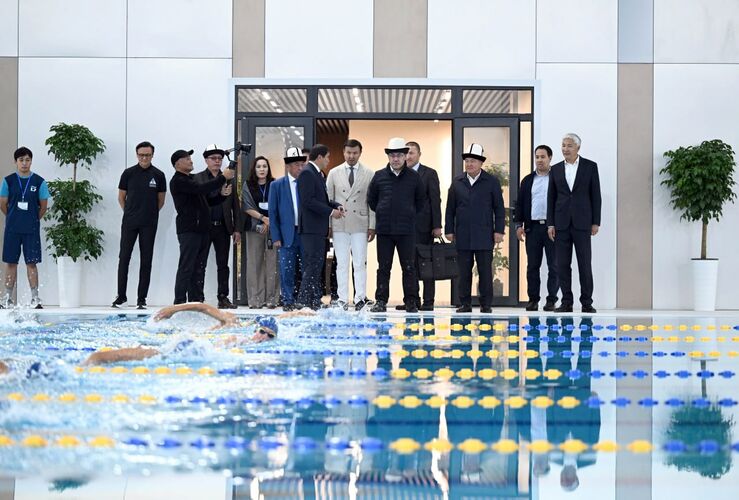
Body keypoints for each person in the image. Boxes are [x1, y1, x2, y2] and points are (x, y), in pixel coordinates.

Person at [82, 303, 316, 365]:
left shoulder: (252, 341)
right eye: (263, 332)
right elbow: (203, 307)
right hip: (190, 344)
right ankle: (97, 358)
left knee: (156, 355)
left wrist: (303, 313)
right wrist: (174, 310)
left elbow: (283, 318)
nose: (264, 338)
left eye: (269, 337)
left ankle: (97, 360)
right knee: (154, 353)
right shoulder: (233, 323)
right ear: (257, 328)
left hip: (199, 350)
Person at [445, 143, 505, 313]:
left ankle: (486, 304)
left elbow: (499, 208)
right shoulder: (457, 182)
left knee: (485, 271)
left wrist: (499, 231)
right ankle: (465, 303)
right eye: (467, 161)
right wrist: (449, 230)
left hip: (484, 234)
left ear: (481, 163)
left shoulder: (491, 182)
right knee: (463, 272)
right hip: (462, 234)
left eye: (473, 161)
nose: (469, 164)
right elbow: (450, 209)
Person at [367, 138, 424, 313]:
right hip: (384, 230)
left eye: (399, 155)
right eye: (392, 155)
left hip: (407, 230)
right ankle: (381, 301)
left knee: (409, 267)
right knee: (383, 268)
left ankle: (411, 301)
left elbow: (421, 201)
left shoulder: (414, 177)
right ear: (388, 157)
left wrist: (409, 213)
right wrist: (383, 211)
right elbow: (372, 200)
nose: (396, 159)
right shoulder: (379, 176)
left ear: (405, 156)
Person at [169, 149, 234, 304]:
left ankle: (196, 300)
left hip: (202, 230)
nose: (191, 161)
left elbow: (207, 201)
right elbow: (201, 189)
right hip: (189, 230)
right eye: (187, 159)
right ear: (178, 164)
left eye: (190, 158)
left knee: (198, 267)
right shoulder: (179, 181)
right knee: (187, 267)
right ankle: (179, 302)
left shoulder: (190, 180)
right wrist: (223, 177)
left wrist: (221, 196)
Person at [547, 133, 601, 313]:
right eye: (563, 145)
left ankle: (587, 302)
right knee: (562, 265)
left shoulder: (590, 167)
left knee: (584, 264)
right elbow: (551, 198)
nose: (565, 149)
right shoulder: (555, 169)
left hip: (583, 223)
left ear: (578, 147)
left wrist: (595, 222)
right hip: (561, 224)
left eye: (569, 145)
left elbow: (596, 196)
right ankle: (566, 302)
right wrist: (551, 224)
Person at [112, 141, 166, 309]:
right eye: (141, 155)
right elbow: (121, 197)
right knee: (124, 258)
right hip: (129, 222)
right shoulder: (128, 173)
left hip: (149, 223)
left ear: (152, 155)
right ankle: (121, 297)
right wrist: (129, 212)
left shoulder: (159, 175)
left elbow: (161, 200)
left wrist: (149, 214)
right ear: (137, 155)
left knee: (146, 260)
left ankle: (141, 299)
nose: (144, 158)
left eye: (147, 155)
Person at [325, 139, 375, 311]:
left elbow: (371, 202)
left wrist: (372, 225)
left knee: (360, 262)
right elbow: (328, 200)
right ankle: (342, 298)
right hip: (340, 222)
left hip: (361, 223)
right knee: (342, 263)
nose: (351, 156)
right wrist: (329, 224)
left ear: (360, 153)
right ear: (343, 152)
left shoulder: (369, 173)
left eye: (355, 153)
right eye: (348, 152)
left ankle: (360, 297)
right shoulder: (334, 172)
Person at [193, 144, 241, 309]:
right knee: (200, 264)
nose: (217, 161)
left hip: (223, 228)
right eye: (213, 158)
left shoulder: (229, 178)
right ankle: (198, 298)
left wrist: (237, 229)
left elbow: (236, 205)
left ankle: (223, 297)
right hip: (203, 228)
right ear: (206, 160)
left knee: (223, 265)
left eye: (219, 158)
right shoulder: (198, 179)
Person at [0, 147, 49, 309]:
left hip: (31, 230)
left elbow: (43, 207)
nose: (24, 163)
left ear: (31, 161)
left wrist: (32, 220)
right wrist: (13, 218)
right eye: (21, 160)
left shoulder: (39, 182)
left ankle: (35, 298)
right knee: (11, 263)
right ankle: (7, 298)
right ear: (15, 162)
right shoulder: (8, 181)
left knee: (31, 263)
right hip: (12, 229)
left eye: (27, 160)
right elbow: (3, 204)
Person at [297, 144, 343, 311]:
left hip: (317, 229)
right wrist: (331, 212)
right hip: (311, 229)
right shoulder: (307, 173)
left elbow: (321, 199)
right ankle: (303, 300)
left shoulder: (316, 173)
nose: (329, 161)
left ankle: (313, 300)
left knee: (317, 265)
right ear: (320, 157)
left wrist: (335, 205)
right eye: (328, 157)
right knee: (312, 265)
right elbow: (308, 201)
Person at [399, 141, 441, 312]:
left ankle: (428, 301)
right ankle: (412, 300)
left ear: (419, 154)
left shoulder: (429, 173)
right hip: (404, 228)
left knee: (427, 264)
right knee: (408, 265)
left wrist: (437, 225)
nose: (408, 156)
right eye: (406, 153)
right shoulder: (399, 174)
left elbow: (435, 200)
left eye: (412, 153)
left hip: (424, 227)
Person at [515, 145, 558, 312]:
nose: (539, 160)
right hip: (532, 228)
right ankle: (533, 299)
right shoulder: (527, 180)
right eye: (537, 157)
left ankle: (551, 300)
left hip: (552, 228)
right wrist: (518, 225)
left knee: (554, 266)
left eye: (543, 157)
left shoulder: (557, 178)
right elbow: (520, 204)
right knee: (532, 266)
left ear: (550, 158)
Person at [268, 147, 305, 311]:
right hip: (286, 234)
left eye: (302, 164)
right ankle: (288, 300)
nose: (300, 168)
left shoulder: (307, 183)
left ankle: (303, 299)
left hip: (304, 233)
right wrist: (275, 236)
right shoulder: (277, 185)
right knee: (287, 269)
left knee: (305, 268)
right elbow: (273, 212)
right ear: (288, 166)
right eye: (297, 165)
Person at [243, 156, 280, 309]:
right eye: (259, 166)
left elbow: (279, 204)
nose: (262, 169)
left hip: (273, 228)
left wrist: (269, 221)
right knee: (254, 263)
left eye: (264, 166)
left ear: (268, 168)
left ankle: (272, 299)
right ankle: (255, 300)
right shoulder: (248, 185)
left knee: (273, 263)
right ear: (254, 169)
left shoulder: (274, 184)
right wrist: (262, 218)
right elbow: (246, 206)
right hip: (254, 227)